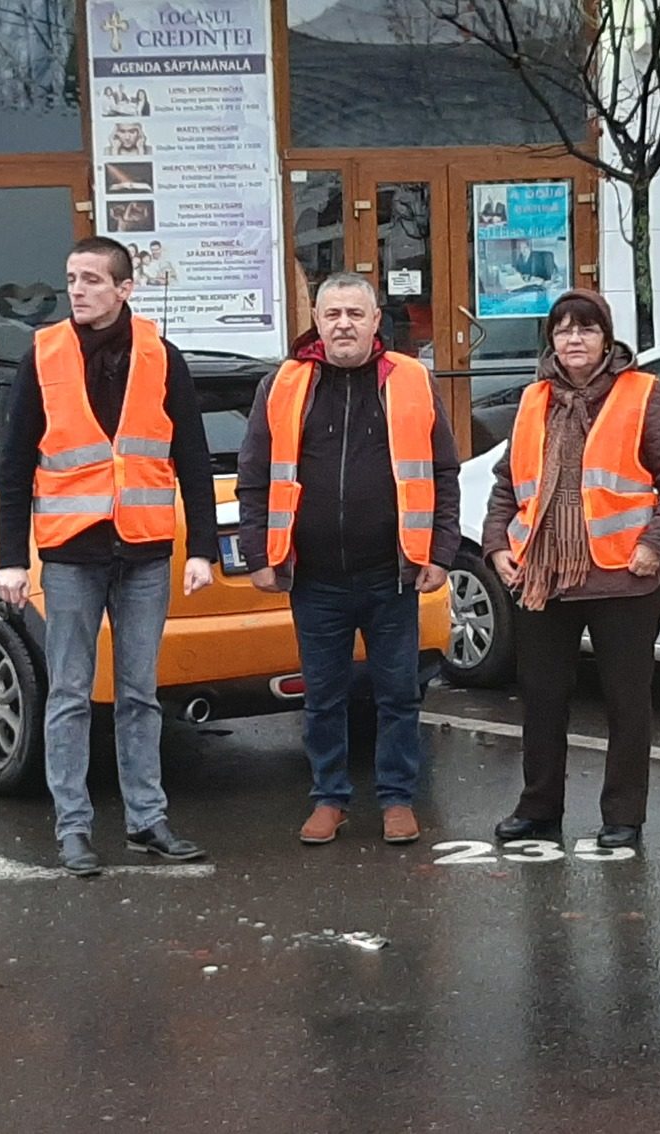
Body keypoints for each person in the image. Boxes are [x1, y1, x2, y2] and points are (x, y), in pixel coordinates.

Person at [0, 236, 219, 877]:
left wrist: (202, 548)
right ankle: (73, 828)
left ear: (124, 288)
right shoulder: (43, 355)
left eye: (92, 279)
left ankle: (147, 820)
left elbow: (192, 458)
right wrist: (11, 558)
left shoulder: (160, 355)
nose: (78, 290)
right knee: (68, 693)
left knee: (139, 694)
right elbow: (14, 465)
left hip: (144, 551)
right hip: (71, 554)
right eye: (72, 279)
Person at [236, 273, 460, 846]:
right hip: (315, 577)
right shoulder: (283, 385)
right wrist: (259, 553)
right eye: (332, 314)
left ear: (376, 321)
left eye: (355, 314)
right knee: (322, 697)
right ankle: (329, 798)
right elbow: (254, 476)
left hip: (392, 573)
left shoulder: (412, 380)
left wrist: (440, 551)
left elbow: (443, 472)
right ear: (316, 319)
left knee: (398, 694)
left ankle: (397, 799)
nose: (343, 325)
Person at [481, 289, 660, 850]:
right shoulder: (534, 399)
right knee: (542, 699)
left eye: (586, 328)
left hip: (624, 574)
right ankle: (538, 808)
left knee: (626, 702)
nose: (574, 339)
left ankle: (623, 815)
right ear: (551, 340)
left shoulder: (641, 393)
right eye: (563, 330)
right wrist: (496, 545)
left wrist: (655, 545)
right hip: (543, 576)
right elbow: (508, 483)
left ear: (606, 338)